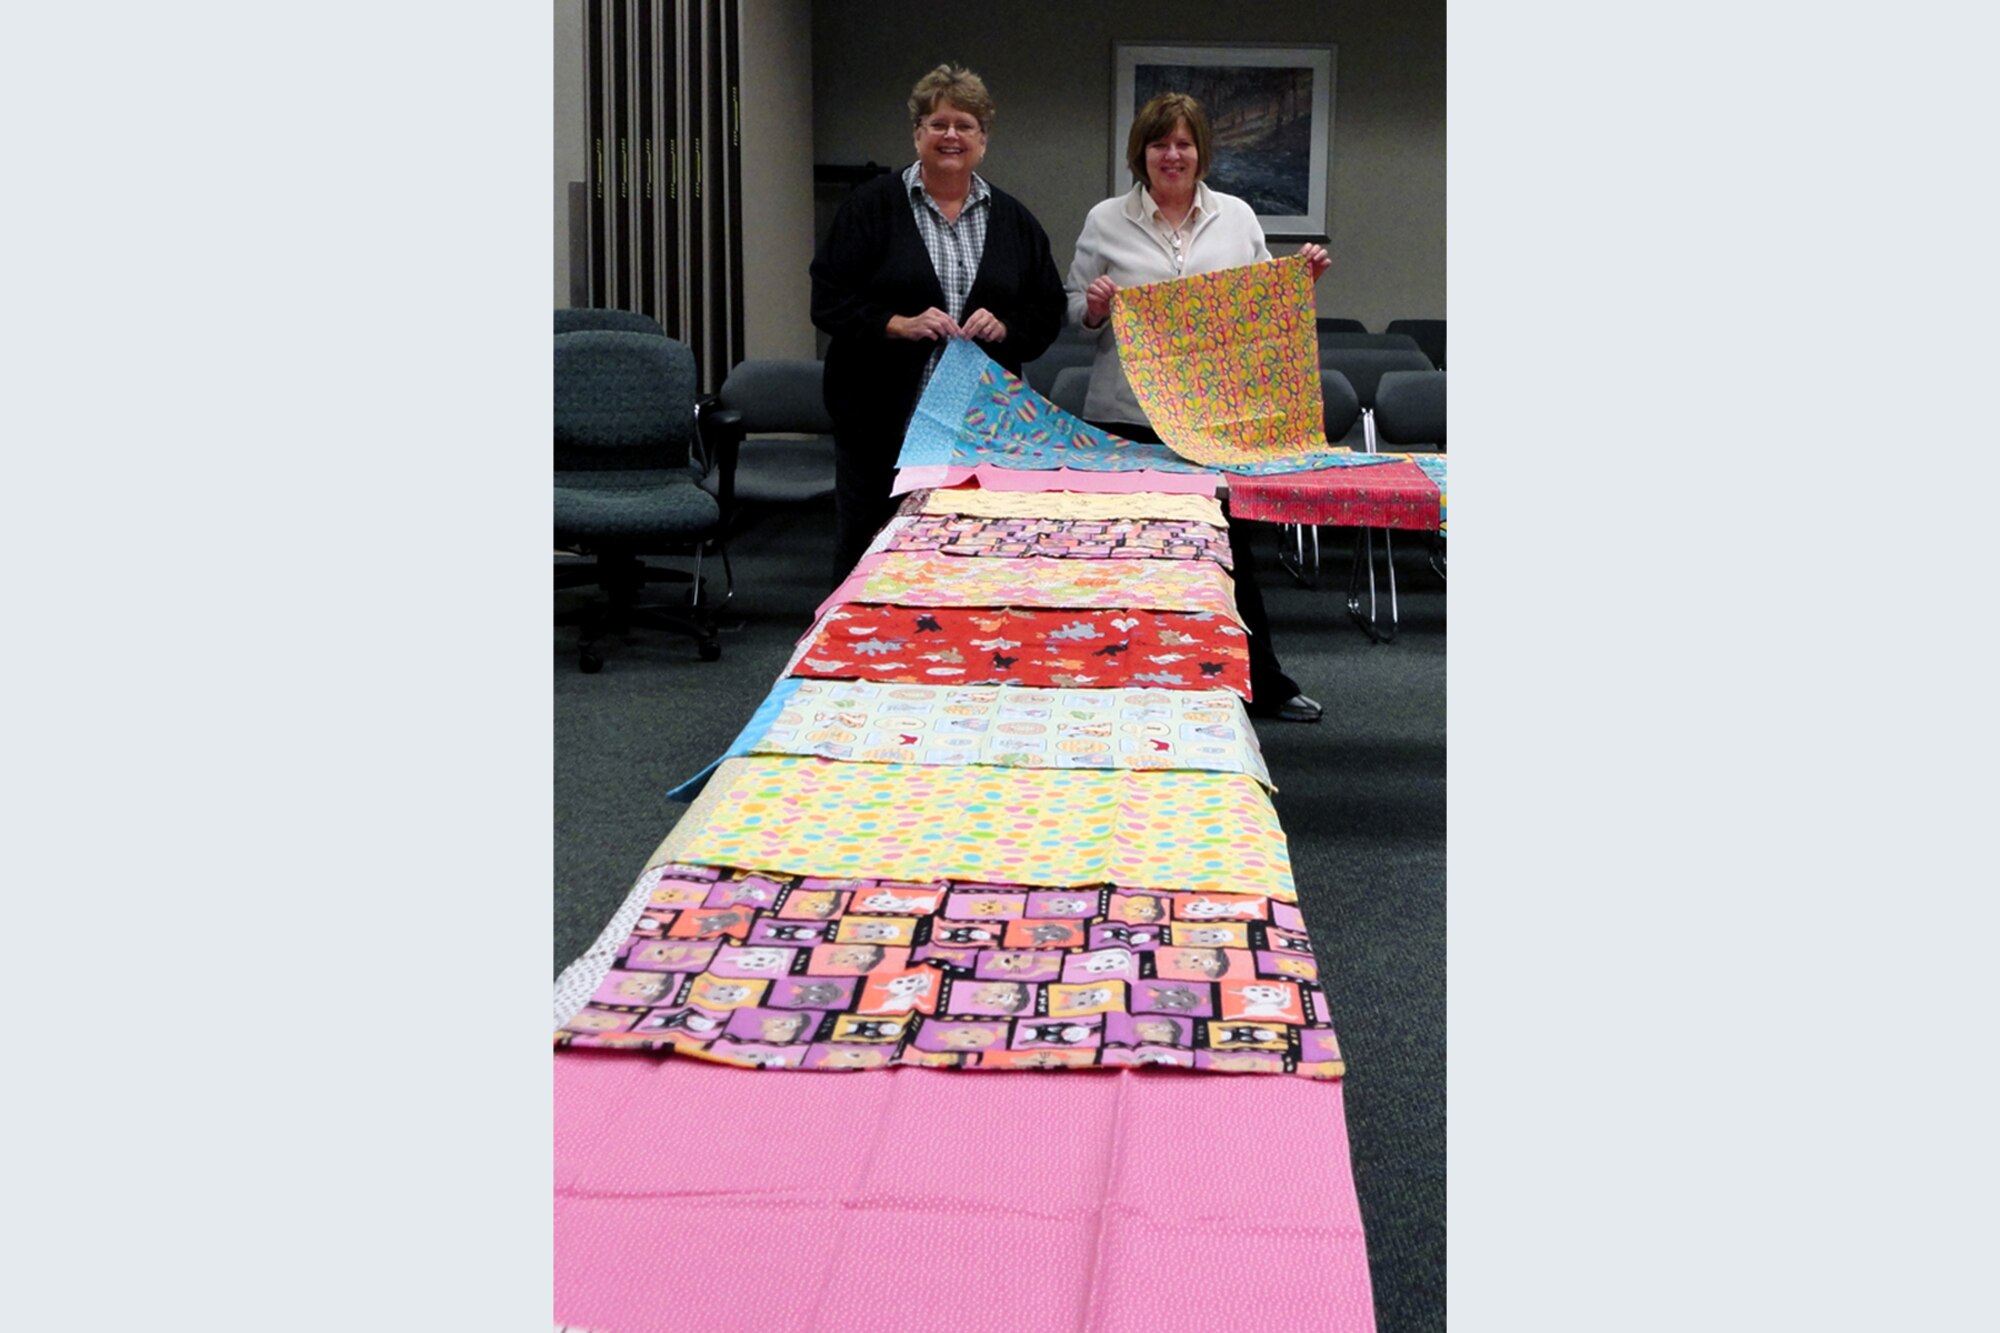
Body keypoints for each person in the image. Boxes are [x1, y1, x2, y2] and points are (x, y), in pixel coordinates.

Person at [1066, 92, 1332, 723]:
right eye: (1161, 143)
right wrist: (1095, 307)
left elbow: (1261, 303)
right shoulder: (1106, 219)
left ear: (1200, 151)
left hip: (1217, 421)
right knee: (1127, 552)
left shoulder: (1237, 217)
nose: (1173, 154)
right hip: (1126, 411)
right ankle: (1120, 679)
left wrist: (1299, 282)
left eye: (1184, 143)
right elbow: (1072, 308)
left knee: (1231, 553)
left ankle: (1262, 683)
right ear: (1143, 153)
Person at [811, 64, 1068, 583]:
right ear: (917, 134)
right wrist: (895, 323)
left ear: (983, 139)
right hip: (881, 416)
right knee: (870, 546)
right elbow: (828, 299)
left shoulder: (1014, 220)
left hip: (977, 422)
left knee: (967, 551)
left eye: (965, 125)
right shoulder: (871, 208)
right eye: (938, 123)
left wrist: (1006, 328)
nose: (951, 135)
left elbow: (1046, 311)